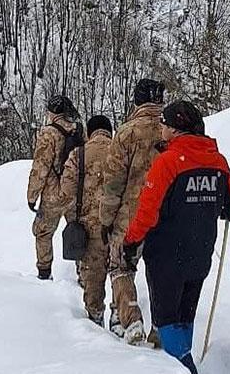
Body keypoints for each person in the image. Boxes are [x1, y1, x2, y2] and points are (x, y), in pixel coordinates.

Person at [122, 100, 230, 373]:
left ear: (176, 130)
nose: (161, 129)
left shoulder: (167, 162)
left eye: (164, 124)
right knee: (185, 318)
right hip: (200, 256)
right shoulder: (218, 162)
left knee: (167, 324)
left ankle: (183, 367)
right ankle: (184, 357)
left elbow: (147, 212)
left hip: (166, 258)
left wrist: (131, 241)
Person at [99, 78, 165, 345]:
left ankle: (131, 318)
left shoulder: (126, 134)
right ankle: (161, 326)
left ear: (136, 101)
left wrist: (106, 219)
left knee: (121, 266)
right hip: (164, 214)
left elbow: (113, 182)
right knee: (159, 269)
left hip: (130, 213)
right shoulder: (169, 131)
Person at [60, 115, 114, 326]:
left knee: (93, 276)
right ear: (110, 131)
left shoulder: (78, 155)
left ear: (89, 133)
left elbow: (66, 194)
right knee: (121, 273)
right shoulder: (121, 152)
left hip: (89, 227)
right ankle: (120, 317)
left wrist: (73, 219)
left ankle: (95, 318)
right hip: (117, 225)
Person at [27, 95, 81, 280]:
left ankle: (44, 272)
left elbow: (40, 166)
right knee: (78, 229)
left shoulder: (49, 133)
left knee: (43, 231)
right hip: (75, 192)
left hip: (53, 194)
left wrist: (32, 195)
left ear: (53, 113)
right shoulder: (78, 130)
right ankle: (83, 273)